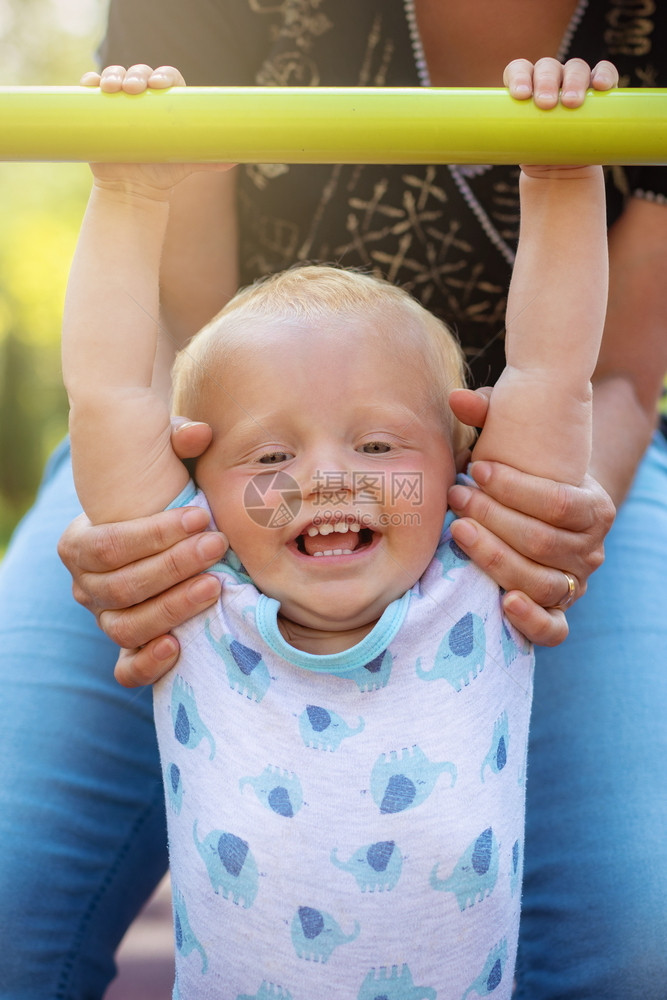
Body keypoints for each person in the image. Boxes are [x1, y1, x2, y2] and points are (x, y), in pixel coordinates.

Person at [0, 3, 665, 999]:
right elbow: (119, 387)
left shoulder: (469, 573)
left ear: (457, 460)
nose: (324, 478)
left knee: (633, 938)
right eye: (280, 457)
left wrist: (561, 174)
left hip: (506, 447)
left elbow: (565, 369)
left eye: (370, 446)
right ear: (213, 474)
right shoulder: (210, 566)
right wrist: (130, 191)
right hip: (235, 380)